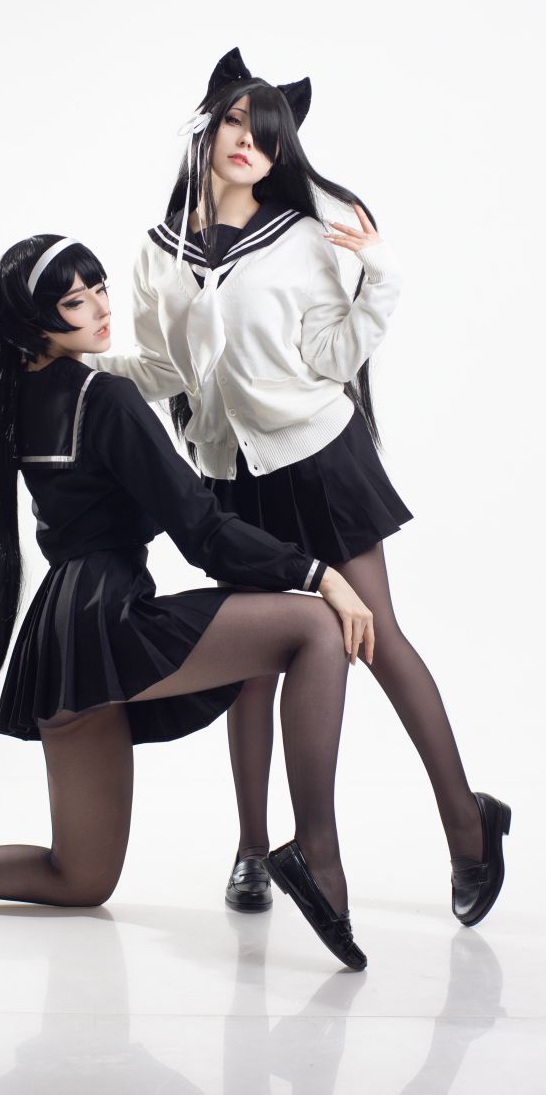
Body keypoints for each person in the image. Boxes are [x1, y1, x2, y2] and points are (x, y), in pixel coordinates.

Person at [0, 235, 379, 970]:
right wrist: (319, 572)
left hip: (61, 634)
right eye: (76, 301)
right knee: (315, 626)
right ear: (35, 321)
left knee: (80, 879)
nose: (102, 309)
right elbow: (202, 533)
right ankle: (316, 853)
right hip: (108, 620)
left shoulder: (13, 397)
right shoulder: (103, 397)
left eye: (101, 288)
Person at [85, 47, 510, 926]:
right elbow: (165, 371)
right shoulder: (158, 252)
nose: (249, 141)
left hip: (319, 460)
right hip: (228, 475)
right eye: (237, 121)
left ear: (281, 154)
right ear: (208, 126)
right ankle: (253, 848)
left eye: (268, 134)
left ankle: (468, 824)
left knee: (374, 636)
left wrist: (381, 275)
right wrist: (83, 367)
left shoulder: (304, 235)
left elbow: (331, 354)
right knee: (251, 664)